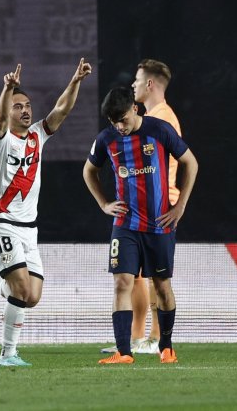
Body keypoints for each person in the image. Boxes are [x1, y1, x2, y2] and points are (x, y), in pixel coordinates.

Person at [0, 59, 93, 366]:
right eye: (18, 106)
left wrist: (75, 80)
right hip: (0, 223)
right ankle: (8, 354)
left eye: (27, 105)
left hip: (28, 228)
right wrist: (7, 89)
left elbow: (61, 110)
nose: (25, 110)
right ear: (9, 111)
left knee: (31, 296)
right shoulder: (2, 140)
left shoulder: (37, 136)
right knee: (20, 288)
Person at [83, 86, 197, 364]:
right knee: (122, 282)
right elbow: (89, 170)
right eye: (114, 122)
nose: (119, 127)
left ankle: (166, 347)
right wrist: (104, 204)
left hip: (159, 224)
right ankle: (124, 352)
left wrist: (180, 206)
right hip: (125, 224)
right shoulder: (106, 139)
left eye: (122, 119)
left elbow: (190, 163)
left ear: (134, 108)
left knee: (161, 286)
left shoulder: (160, 130)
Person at [101, 59, 183, 355]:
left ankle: (156, 338)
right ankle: (136, 338)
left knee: (156, 279)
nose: (133, 85)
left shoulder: (162, 119)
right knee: (131, 277)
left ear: (149, 84)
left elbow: (176, 163)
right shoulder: (145, 117)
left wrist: (174, 202)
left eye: (137, 80)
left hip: (160, 208)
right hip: (136, 211)